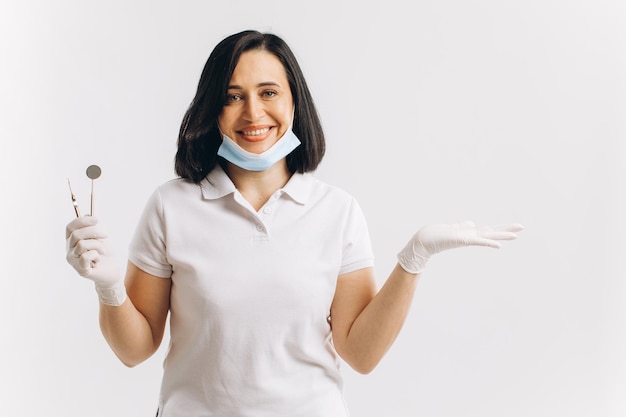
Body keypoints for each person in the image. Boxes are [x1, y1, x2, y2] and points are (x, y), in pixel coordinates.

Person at [65, 30, 523, 417]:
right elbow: (135, 350)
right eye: (232, 96)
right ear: (212, 109)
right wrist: (108, 288)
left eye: (268, 92)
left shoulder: (337, 211)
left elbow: (360, 354)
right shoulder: (171, 205)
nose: (253, 113)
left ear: (293, 101)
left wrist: (414, 257)